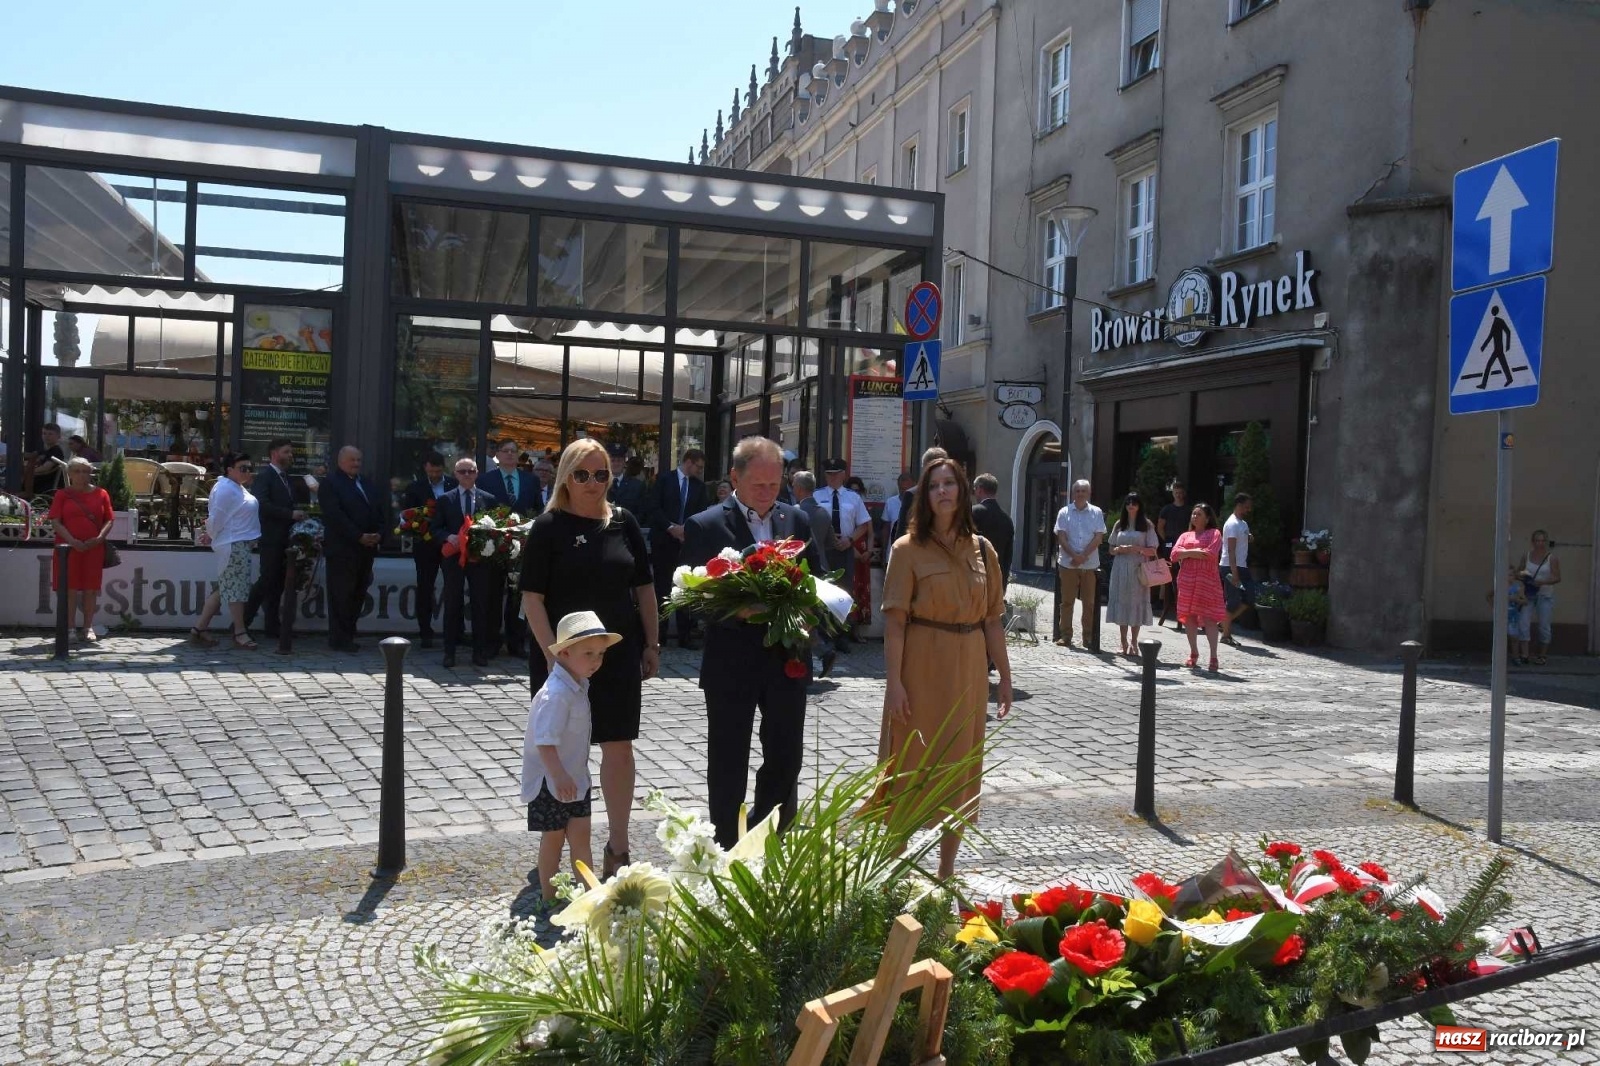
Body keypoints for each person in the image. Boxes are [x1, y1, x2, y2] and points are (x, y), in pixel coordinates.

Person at [520, 439, 660, 880]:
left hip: (615, 653)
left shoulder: (624, 522)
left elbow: (644, 589)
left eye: (601, 474)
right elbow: (532, 599)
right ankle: (559, 846)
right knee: (563, 750)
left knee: (618, 746)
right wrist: (551, 656)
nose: (593, 483)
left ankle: (618, 844)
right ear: (566, 476)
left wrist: (652, 643)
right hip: (561, 661)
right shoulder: (547, 527)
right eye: (582, 474)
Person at [681, 436, 822, 848]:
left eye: (775, 484)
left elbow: (821, 580)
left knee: (786, 758)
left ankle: (769, 840)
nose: (767, 493)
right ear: (734, 478)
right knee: (728, 761)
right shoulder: (705, 525)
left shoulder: (795, 520)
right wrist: (741, 611)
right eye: (758, 484)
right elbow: (692, 602)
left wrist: (809, 616)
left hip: (786, 661)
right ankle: (725, 846)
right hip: (731, 663)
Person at [879, 455, 1012, 881]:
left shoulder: (983, 550)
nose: (942, 492)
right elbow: (895, 622)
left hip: (969, 665)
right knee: (909, 760)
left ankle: (946, 870)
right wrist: (894, 683)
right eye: (934, 485)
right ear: (924, 493)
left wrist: (1005, 678)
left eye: (949, 484)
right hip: (920, 664)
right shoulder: (906, 549)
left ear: (964, 491)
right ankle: (895, 869)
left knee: (960, 765)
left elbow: (992, 619)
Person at [522, 610, 619, 919]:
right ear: (563, 653)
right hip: (552, 782)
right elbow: (545, 742)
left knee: (581, 838)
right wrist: (559, 774)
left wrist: (570, 775)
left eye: (600, 654)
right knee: (552, 840)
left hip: (575, 779)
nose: (596, 661)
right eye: (588, 653)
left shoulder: (577, 686)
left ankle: (587, 894)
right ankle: (549, 898)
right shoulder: (556, 694)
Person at [190, 453, 261, 650]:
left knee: (224, 589)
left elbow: (223, 519)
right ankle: (239, 632)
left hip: (237, 543)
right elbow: (216, 518)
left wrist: (211, 534)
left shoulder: (234, 488)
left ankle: (199, 628)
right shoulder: (226, 489)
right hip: (234, 545)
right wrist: (211, 533)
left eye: (249, 467)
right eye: (242, 468)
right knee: (236, 592)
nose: (247, 471)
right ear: (229, 469)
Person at [435, 458, 500, 668]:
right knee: (452, 604)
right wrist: (448, 536)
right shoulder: (445, 499)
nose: (466, 475)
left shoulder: (488, 499)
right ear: (455, 474)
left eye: (470, 471)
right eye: (462, 471)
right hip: (454, 559)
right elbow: (435, 528)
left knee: (481, 605)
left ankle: (479, 652)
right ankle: (449, 652)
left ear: (477, 473)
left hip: (479, 560)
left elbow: (495, 529)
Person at [482, 439, 544, 658]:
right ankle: (491, 642)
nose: (509, 455)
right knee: (493, 595)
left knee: (518, 597)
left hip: (523, 547)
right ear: (497, 455)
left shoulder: (531, 480)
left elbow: (539, 510)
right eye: (505, 451)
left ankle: (515, 642)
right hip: (495, 548)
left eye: (513, 451)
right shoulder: (486, 480)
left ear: (518, 456)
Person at [318, 446, 384, 653]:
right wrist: (358, 536)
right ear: (340, 461)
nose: (356, 463)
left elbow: (378, 509)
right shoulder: (330, 483)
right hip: (342, 549)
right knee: (341, 595)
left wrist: (379, 533)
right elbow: (335, 516)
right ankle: (339, 638)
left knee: (357, 593)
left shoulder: (365, 482)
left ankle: (349, 634)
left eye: (358, 460)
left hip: (366, 549)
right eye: (352, 460)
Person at [243, 438, 307, 641]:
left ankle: (273, 626)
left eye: (291, 452)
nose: (290, 456)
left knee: (278, 584)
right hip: (271, 538)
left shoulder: (285, 478)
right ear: (274, 453)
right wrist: (289, 514)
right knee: (267, 580)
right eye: (286, 452)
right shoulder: (265, 476)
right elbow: (261, 504)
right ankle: (242, 623)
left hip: (285, 539)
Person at [644, 448, 707, 650]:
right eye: (698, 466)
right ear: (688, 461)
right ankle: (659, 635)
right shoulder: (664, 480)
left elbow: (701, 513)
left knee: (685, 588)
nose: (699, 471)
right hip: (664, 541)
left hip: (685, 544)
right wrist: (671, 528)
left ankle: (685, 635)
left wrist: (686, 531)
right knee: (662, 588)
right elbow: (653, 507)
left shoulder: (699, 487)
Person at [48, 457, 115, 644]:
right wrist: (72, 541)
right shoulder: (62, 494)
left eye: (85, 471)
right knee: (69, 589)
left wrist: (100, 538)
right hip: (67, 549)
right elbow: (55, 520)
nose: (82, 475)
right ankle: (69, 628)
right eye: (77, 471)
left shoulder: (101, 493)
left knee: (91, 589)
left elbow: (109, 519)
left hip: (93, 548)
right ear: (69, 474)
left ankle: (87, 627)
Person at [814, 458, 872, 648]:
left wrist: (850, 540)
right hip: (825, 549)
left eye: (835, 473)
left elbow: (864, 524)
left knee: (845, 592)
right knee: (824, 591)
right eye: (828, 474)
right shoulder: (817, 496)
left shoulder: (852, 497)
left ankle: (842, 635)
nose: (832, 477)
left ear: (843, 475)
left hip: (846, 547)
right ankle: (825, 635)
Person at [401, 452, 455, 649]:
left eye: (438, 471)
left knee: (453, 588)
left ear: (443, 469)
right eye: (431, 471)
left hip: (449, 543)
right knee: (425, 588)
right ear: (425, 468)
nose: (434, 474)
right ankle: (425, 631)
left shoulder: (452, 484)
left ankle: (454, 631)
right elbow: (408, 515)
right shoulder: (415, 488)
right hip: (425, 545)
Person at [791, 469, 837, 678]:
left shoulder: (794, 512)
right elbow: (831, 544)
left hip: (799, 570)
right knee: (811, 617)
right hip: (821, 570)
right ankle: (821, 652)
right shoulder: (823, 512)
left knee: (801, 618)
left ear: (799, 489)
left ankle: (818, 656)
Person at [1173, 502, 1226, 671]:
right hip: (1187, 581)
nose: (1195, 516)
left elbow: (1210, 554)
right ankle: (1193, 652)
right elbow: (1174, 554)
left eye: (1199, 514)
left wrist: (1187, 553)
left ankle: (1213, 656)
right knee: (1190, 617)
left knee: (1210, 619)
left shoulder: (1214, 533)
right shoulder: (1185, 535)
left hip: (1207, 582)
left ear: (1208, 517)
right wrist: (1196, 552)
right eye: (1194, 514)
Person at [1105, 491, 1158, 657]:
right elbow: (1110, 549)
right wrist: (1119, 550)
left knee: (1135, 603)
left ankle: (1134, 642)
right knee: (1122, 602)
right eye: (1128, 503)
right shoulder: (1119, 524)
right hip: (1120, 567)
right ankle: (1123, 642)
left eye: (1134, 503)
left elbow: (1153, 550)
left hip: (1138, 568)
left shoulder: (1147, 525)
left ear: (1139, 505)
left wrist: (1137, 549)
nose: (1131, 505)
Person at [1054, 480, 1105, 649]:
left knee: (1089, 603)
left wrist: (1082, 556)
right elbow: (1061, 537)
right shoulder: (1064, 512)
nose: (1080, 493)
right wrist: (1074, 556)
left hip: (1089, 564)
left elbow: (1099, 537)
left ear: (1088, 493)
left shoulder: (1096, 512)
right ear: (1072, 493)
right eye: (1077, 491)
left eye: (1083, 491)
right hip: (1068, 563)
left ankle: (1088, 637)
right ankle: (1065, 636)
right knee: (1067, 601)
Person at [1517, 529, 1562, 664]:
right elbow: (1520, 570)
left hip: (1545, 595)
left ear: (1546, 542)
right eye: (1537, 540)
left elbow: (1557, 577)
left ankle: (1542, 655)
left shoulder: (1551, 558)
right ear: (1533, 542)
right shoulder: (1527, 555)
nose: (1540, 543)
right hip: (1529, 594)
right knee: (1523, 623)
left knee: (1544, 626)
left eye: (1543, 540)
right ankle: (1525, 654)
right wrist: (1524, 576)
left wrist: (1542, 582)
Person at [1220, 493, 1258, 647]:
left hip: (1242, 566)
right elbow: (1231, 550)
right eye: (1247, 506)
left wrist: (1248, 536)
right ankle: (1226, 635)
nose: (1249, 509)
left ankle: (1224, 621)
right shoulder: (1231, 524)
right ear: (1239, 504)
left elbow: (1243, 535)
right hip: (1230, 566)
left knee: (1250, 598)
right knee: (1233, 600)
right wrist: (1234, 573)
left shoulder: (1243, 524)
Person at [970, 474, 1015, 585]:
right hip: (997, 579)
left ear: (980, 490)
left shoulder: (973, 513)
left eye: (975, 489)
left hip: (975, 577)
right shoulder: (1007, 519)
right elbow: (1008, 555)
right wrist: (1003, 583)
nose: (975, 493)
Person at [1156, 481, 1190, 629]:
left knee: (1182, 576)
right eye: (1176, 492)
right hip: (1170, 544)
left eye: (1180, 492)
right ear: (1173, 493)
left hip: (1184, 545)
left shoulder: (1189, 510)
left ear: (1184, 493)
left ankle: (1181, 605)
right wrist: (1167, 540)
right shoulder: (1166, 509)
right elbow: (1160, 527)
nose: (1178, 494)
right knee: (1168, 573)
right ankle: (1163, 600)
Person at [845, 474, 875, 635]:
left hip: (863, 557)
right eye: (851, 490)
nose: (855, 493)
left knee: (862, 592)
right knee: (850, 591)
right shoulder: (844, 507)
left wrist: (869, 551)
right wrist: (855, 552)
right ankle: (848, 630)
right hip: (850, 553)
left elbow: (870, 532)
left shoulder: (864, 508)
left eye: (858, 490)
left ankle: (858, 630)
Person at [607, 448, 647, 516]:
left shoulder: (637, 486)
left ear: (624, 463)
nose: (616, 464)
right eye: (612, 460)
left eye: (619, 461)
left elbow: (642, 512)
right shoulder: (600, 484)